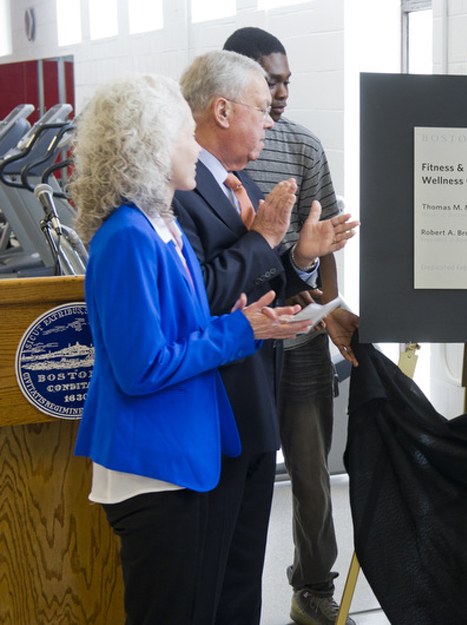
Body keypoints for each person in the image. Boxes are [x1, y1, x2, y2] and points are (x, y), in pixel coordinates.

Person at [71, 73, 315, 624]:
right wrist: (239, 332)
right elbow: (143, 368)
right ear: (151, 145)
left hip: (188, 455)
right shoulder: (128, 235)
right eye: (185, 133)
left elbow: (189, 325)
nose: (194, 145)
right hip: (153, 465)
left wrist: (248, 322)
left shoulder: (162, 227)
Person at [171, 50, 358, 625]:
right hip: (214, 406)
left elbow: (262, 275)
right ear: (222, 110)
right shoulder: (176, 188)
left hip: (255, 398)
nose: (272, 120)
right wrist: (266, 238)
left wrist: (301, 255)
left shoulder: (240, 181)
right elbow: (198, 291)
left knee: (243, 572)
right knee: (212, 573)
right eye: (260, 107)